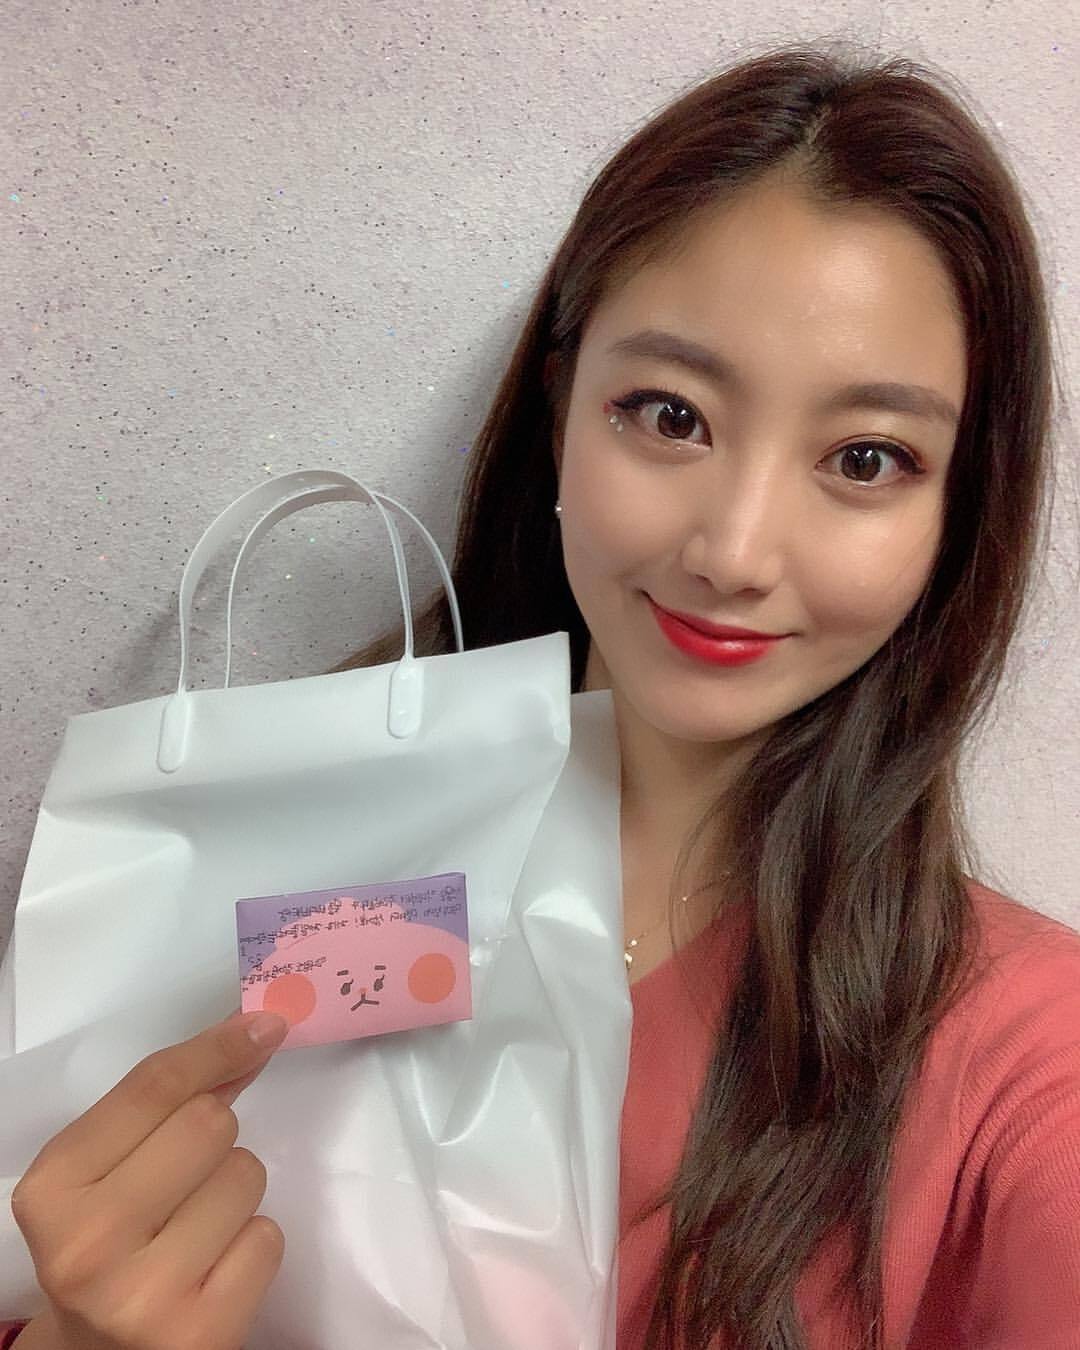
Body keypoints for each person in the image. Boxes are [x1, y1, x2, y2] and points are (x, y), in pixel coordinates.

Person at [5, 38, 1079, 1350]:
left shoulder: (1027, 1070)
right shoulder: (276, 875)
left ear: (958, 510)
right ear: (562, 408)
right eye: (671, 415)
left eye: (866, 458)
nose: (735, 552)